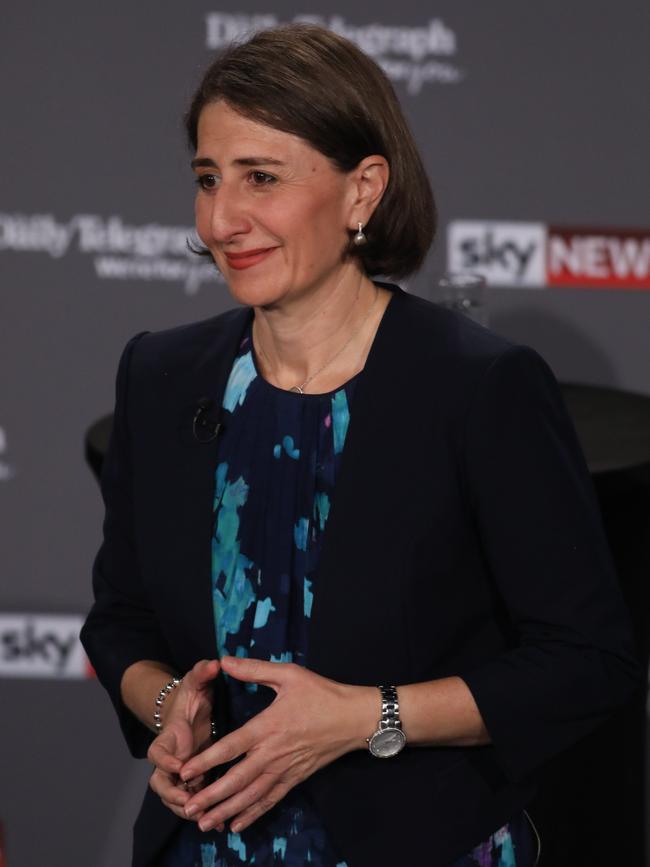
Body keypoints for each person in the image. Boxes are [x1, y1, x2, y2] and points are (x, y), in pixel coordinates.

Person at [80, 24, 640, 867]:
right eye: (207, 179)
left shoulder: (478, 386)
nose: (222, 218)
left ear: (362, 191)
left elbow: (586, 661)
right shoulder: (160, 375)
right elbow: (120, 618)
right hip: (206, 843)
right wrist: (170, 706)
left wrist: (364, 717)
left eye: (260, 178)